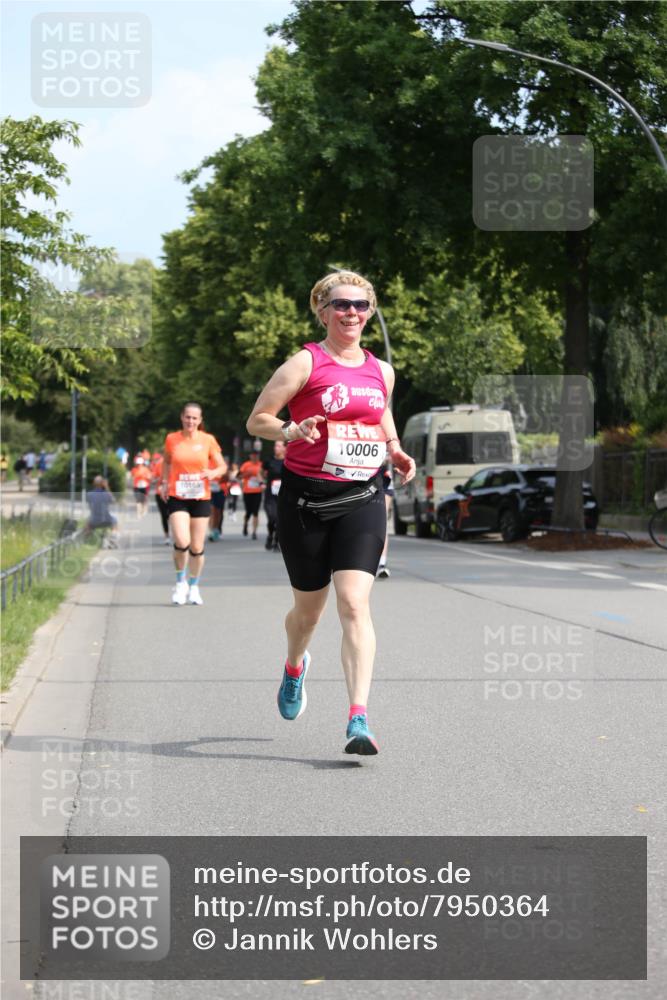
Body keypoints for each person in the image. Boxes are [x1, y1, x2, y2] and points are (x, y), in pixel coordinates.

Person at [247, 270, 415, 755]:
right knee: (308, 612)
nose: (352, 313)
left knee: (355, 604)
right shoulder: (304, 363)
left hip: (362, 498)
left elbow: (380, 412)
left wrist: (396, 448)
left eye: (362, 306)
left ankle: (358, 718)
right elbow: (257, 419)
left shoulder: (381, 370)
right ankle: (295, 665)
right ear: (322, 310)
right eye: (341, 304)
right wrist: (291, 432)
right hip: (305, 502)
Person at [160, 402, 226, 606]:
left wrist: (213, 472)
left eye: (195, 418)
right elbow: (167, 461)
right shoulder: (172, 439)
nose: (191, 421)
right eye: (187, 417)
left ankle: (194, 586)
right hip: (177, 495)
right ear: (182, 417)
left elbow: (222, 466)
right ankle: (180, 583)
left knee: (197, 547)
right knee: (181, 541)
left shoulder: (207, 440)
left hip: (200, 497)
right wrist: (164, 482)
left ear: (200, 420)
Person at [262, 439, 286, 551]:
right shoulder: (269, 461)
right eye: (275, 446)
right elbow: (260, 472)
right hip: (270, 494)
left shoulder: (288, 461)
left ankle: (277, 541)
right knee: (271, 518)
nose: (276, 448)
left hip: (283, 494)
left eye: (279, 446)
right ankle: (270, 535)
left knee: (279, 519)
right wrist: (261, 481)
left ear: (284, 448)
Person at [84, 476, 119, 546]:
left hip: (94, 521)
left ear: (93, 484)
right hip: (106, 520)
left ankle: (84, 540)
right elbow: (114, 501)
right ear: (103, 484)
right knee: (115, 521)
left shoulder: (89, 494)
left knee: (88, 522)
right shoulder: (106, 494)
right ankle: (113, 538)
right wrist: (107, 487)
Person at [239, 450, 264, 540]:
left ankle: (254, 532)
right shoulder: (246, 465)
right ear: (250, 456)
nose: (255, 457)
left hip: (257, 492)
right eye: (253, 455)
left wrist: (261, 478)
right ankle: (245, 524)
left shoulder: (261, 465)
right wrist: (247, 474)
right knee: (248, 511)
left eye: (256, 456)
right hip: (247, 492)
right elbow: (238, 476)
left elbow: (265, 476)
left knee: (255, 512)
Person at [376, 460, 394, 578]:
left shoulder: (390, 440)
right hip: (357, 474)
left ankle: (382, 563)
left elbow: (393, 455)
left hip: (383, 476)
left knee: (382, 519)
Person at [150, 452, 171, 544]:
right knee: (165, 515)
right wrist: (160, 480)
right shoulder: (159, 464)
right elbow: (153, 479)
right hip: (161, 492)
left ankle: (172, 536)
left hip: (173, 493)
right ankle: (167, 536)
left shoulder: (177, 462)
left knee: (170, 515)